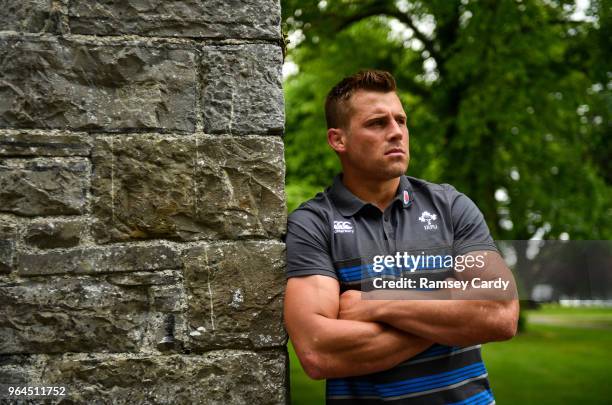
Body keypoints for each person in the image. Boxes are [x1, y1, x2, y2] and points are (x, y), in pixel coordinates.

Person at [284, 70, 519, 404]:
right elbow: (318, 352)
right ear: (338, 139)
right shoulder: (313, 224)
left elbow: (502, 314)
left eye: (401, 121)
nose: (396, 132)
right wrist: (450, 315)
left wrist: (377, 301)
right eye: (377, 123)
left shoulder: (451, 206)